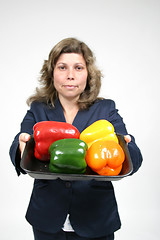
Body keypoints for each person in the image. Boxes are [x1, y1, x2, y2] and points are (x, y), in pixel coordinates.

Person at [9, 38, 143, 240]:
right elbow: (19, 145)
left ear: (88, 74)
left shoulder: (105, 109)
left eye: (78, 68)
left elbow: (134, 156)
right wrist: (21, 146)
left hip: (96, 217)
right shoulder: (38, 108)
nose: (70, 75)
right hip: (47, 216)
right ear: (51, 73)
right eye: (62, 67)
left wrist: (127, 146)